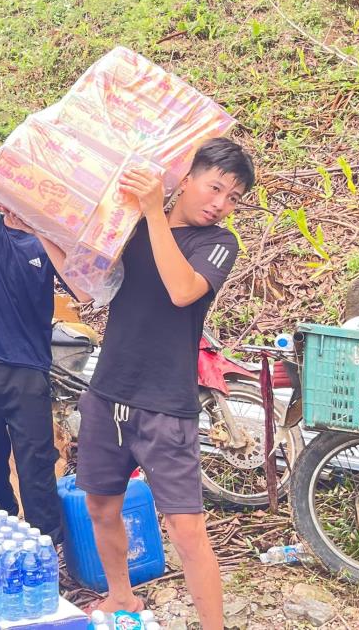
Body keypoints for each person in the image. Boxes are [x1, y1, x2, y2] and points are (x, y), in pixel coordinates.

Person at [74, 138, 255, 630]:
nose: (220, 203)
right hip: (108, 392)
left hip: (166, 404)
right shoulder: (130, 225)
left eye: (232, 197)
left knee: (185, 526)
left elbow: (182, 291)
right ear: (186, 178)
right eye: (214, 187)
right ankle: (121, 597)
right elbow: (83, 279)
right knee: (101, 505)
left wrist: (155, 211)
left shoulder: (217, 243)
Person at [0, 192, 70, 543]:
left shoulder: (44, 247)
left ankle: (46, 542)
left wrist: (43, 230)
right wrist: (11, 182)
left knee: (35, 465)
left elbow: (82, 286)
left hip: (27, 372)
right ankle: (1, 530)